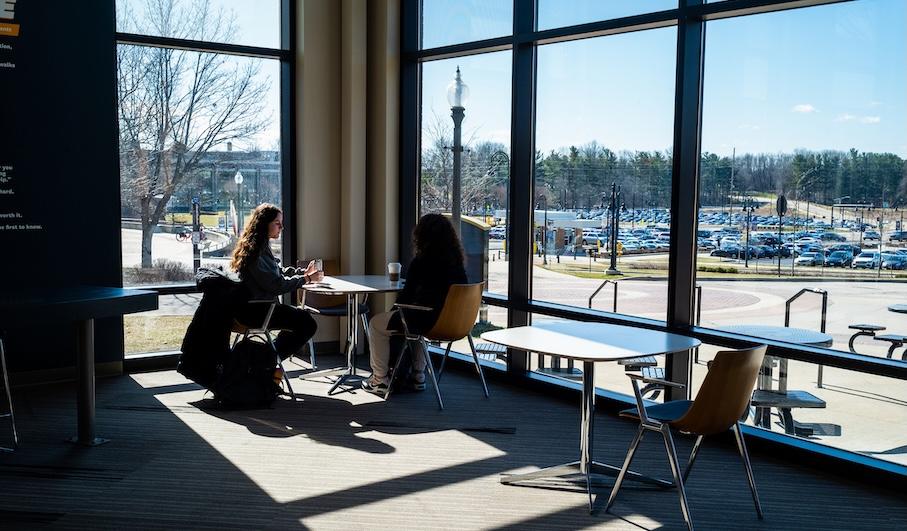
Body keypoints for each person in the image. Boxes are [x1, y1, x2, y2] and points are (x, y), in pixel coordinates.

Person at [362, 213, 467, 396]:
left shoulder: (421, 262)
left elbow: (406, 297)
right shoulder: (457, 264)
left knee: (376, 324)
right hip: (454, 323)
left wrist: (394, 312)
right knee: (417, 325)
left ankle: (379, 379)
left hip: (426, 320)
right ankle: (419, 375)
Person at [230, 203, 323, 360]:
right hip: (258, 312)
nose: (281, 227)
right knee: (307, 323)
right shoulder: (256, 251)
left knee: (299, 321)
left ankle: (268, 355)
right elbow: (276, 285)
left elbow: (276, 272)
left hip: (255, 309)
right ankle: (269, 359)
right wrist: (306, 279)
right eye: (277, 223)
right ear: (265, 224)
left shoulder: (256, 246)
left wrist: (301, 273)